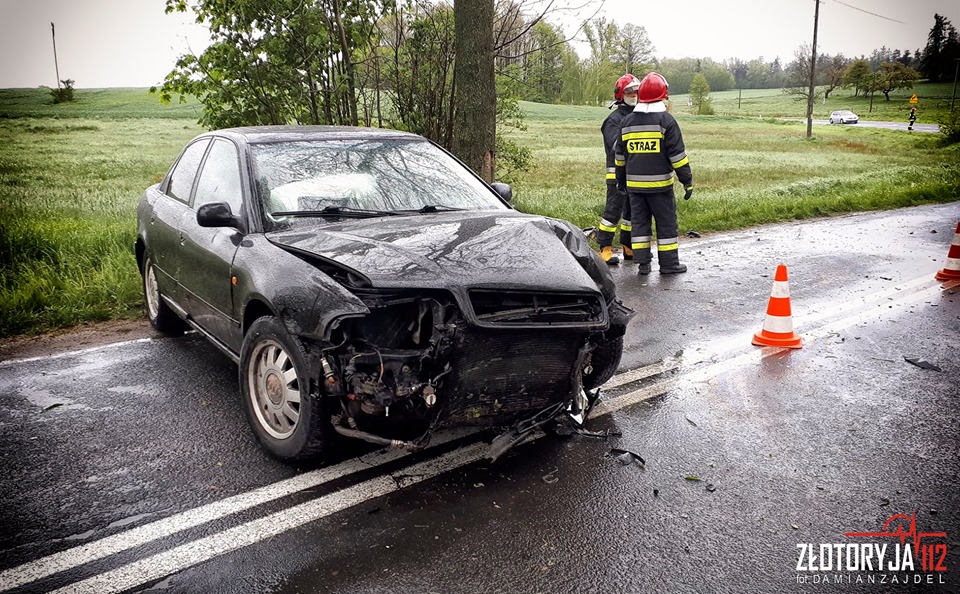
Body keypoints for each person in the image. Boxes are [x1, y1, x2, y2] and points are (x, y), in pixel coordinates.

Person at [615, 72, 692, 275]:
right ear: (662, 95)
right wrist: (687, 181)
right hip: (660, 188)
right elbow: (678, 157)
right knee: (666, 225)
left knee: (639, 224)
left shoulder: (626, 122)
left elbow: (620, 157)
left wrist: (620, 181)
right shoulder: (667, 121)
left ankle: (643, 264)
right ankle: (668, 264)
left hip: (634, 188)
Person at [595, 74, 639, 265]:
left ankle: (628, 247)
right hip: (617, 174)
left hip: (635, 172)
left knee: (631, 213)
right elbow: (616, 145)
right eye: (630, 91)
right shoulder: (613, 120)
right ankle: (604, 248)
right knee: (613, 212)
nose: (634, 94)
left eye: (636, 91)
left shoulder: (638, 115)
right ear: (621, 94)